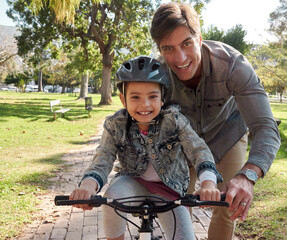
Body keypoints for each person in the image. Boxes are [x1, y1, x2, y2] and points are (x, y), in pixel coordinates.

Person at [150, 2, 281, 240]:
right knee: (178, 202)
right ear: (159, 49)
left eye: (186, 44)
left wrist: (248, 176)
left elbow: (265, 127)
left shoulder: (234, 66)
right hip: (182, 141)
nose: (179, 58)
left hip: (228, 133)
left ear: (199, 39)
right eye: (168, 48)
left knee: (229, 202)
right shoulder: (155, 74)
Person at [69, 56, 223, 240]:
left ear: (162, 99)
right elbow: (103, 157)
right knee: (111, 200)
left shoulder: (174, 121)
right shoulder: (115, 125)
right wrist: (88, 186)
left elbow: (199, 151)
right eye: (135, 97)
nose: (145, 104)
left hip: (170, 188)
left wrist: (208, 183)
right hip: (132, 181)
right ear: (123, 99)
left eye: (152, 96)